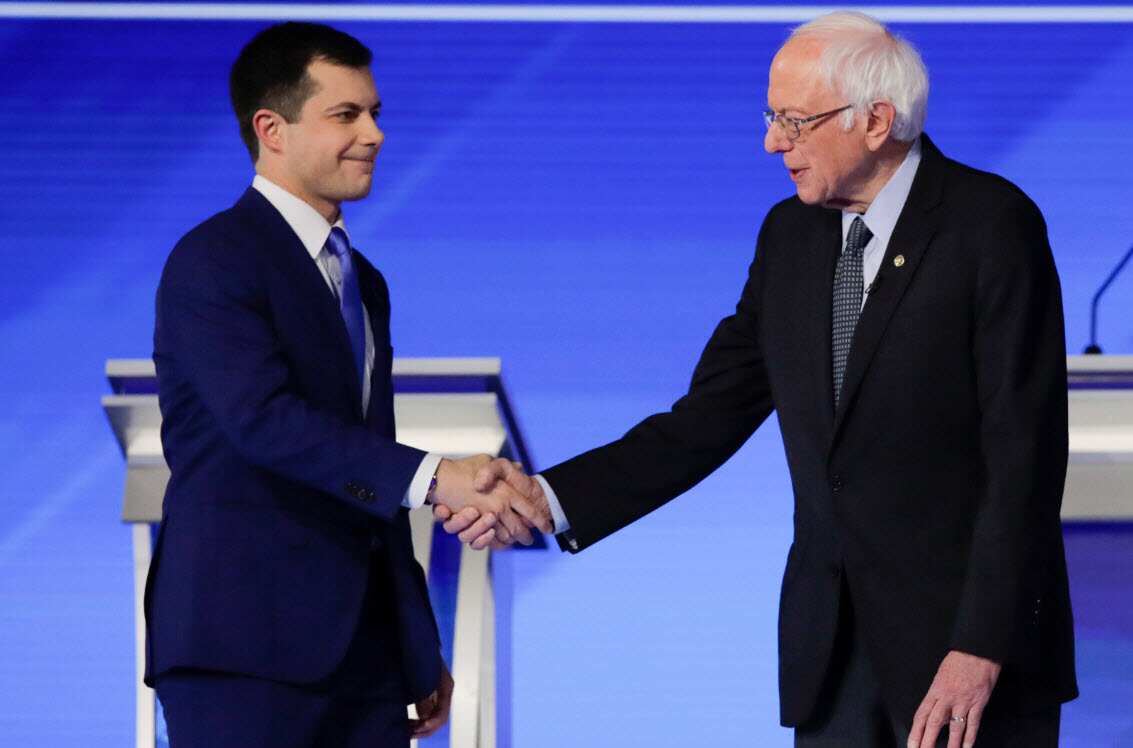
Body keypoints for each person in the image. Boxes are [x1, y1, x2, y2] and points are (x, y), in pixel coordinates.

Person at [440, 11, 1077, 747]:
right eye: (771, 118)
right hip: (831, 660)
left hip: (961, 662)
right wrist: (548, 499)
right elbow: (704, 418)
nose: (773, 142)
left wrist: (980, 646)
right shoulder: (790, 236)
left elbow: (1024, 457)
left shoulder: (989, 225)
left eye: (794, 121)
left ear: (875, 121)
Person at [147, 21, 550, 748]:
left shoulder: (364, 281)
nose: (374, 134)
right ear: (271, 129)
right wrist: (442, 478)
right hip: (244, 649)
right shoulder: (214, 258)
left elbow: (365, 467)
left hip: (364, 662)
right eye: (346, 115)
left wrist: (414, 643)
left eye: (375, 113)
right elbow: (264, 421)